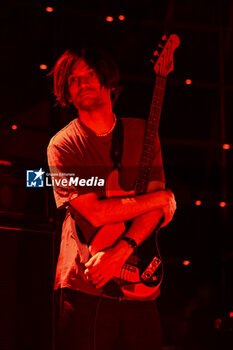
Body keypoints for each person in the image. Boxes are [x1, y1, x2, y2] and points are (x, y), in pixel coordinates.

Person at [47, 47, 176, 350]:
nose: (83, 83)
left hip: (140, 280)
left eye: (90, 75)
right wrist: (162, 197)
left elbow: (156, 212)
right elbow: (95, 213)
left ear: (110, 83)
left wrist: (122, 249)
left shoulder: (143, 132)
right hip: (84, 281)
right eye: (74, 80)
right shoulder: (63, 145)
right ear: (67, 92)